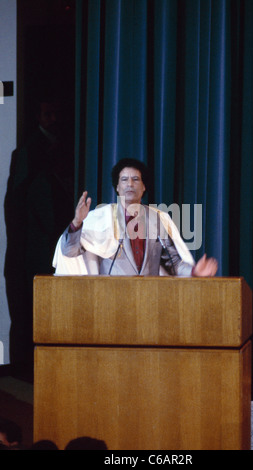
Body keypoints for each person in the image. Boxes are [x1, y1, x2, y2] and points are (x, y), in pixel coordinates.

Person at [4, 96, 74, 376]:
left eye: (55, 113)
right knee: (28, 311)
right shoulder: (28, 153)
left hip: (52, 245)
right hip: (33, 249)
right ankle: (25, 370)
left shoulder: (65, 148)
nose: (52, 119)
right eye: (47, 114)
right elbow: (18, 205)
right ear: (38, 116)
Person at [53, 158, 217, 277]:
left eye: (135, 179)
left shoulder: (157, 220)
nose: (130, 184)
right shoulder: (100, 219)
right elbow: (70, 251)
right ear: (117, 187)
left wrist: (195, 272)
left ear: (144, 187)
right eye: (124, 180)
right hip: (110, 301)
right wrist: (77, 222)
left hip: (149, 301)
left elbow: (173, 264)